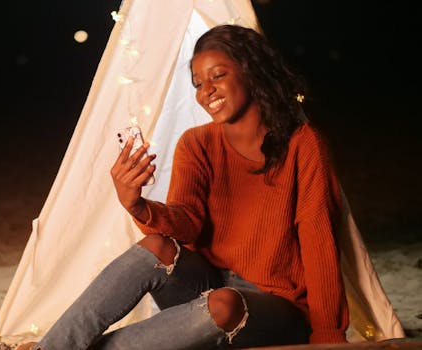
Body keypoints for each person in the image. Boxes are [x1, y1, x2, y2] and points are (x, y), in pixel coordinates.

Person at [19, 23, 349, 350]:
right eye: (198, 83)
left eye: (218, 75)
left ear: (251, 71)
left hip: (276, 308)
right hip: (207, 289)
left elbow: (319, 240)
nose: (207, 91)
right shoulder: (197, 143)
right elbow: (187, 223)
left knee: (223, 304)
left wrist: (328, 335)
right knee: (156, 246)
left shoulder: (303, 144)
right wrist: (138, 206)